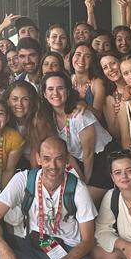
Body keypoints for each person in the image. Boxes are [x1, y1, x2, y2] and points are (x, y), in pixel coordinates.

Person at [43, 71, 115, 202]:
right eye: (50, 89)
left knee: (82, 200)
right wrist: (79, 178)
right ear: (44, 94)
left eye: (60, 88)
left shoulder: (79, 115)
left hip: (103, 160)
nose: (55, 93)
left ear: (68, 91)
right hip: (80, 162)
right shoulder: (50, 118)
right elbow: (68, 154)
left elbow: (88, 153)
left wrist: (84, 183)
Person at [6, 80, 56, 170]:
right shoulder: (6, 119)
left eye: (25, 99)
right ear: (8, 101)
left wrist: (33, 181)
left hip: (42, 165)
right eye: (15, 99)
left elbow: (34, 156)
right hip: (19, 162)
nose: (19, 104)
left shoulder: (39, 120)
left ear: (31, 101)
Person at [70, 42, 108, 123]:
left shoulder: (97, 83)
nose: (81, 59)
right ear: (72, 57)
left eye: (87, 56)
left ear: (92, 61)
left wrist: (86, 106)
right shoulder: (68, 79)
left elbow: (98, 116)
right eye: (78, 54)